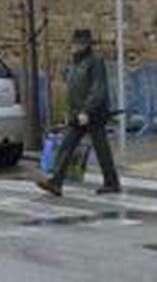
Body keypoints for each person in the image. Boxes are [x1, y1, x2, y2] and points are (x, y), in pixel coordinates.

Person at [36, 28, 121, 196]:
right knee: (68, 145)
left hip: (92, 114)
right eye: (75, 42)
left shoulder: (95, 62)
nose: (75, 46)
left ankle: (111, 182)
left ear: (86, 45)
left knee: (101, 148)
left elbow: (98, 89)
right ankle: (56, 182)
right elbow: (74, 90)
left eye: (80, 43)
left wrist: (87, 111)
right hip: (79, 115)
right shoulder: (76, 63)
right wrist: (72, 113)